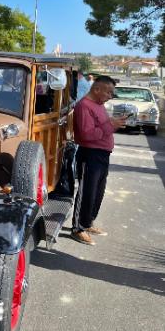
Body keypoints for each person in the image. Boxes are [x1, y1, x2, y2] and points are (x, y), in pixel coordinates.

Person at [71, 76, 126, 246]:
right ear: (97, 89)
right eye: (108, 92)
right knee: (86, 192)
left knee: (97, 192)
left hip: (102, 155)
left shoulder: (99, 105)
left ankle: (88, 223)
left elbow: (101, 127)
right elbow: (87, 135)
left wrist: (113, 123)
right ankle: (78, 228)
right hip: (90, 154)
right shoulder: (84, 106)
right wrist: (111, 125)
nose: (110, 96)